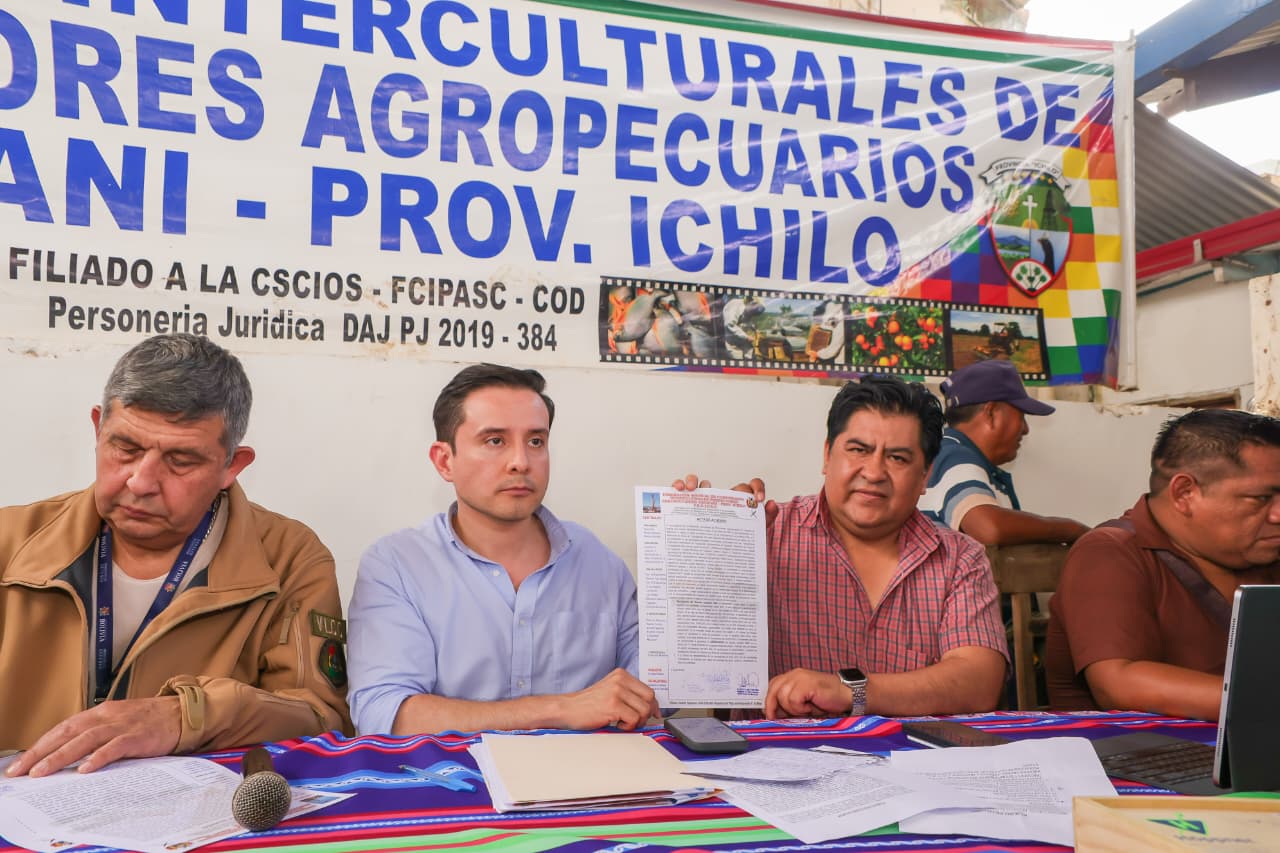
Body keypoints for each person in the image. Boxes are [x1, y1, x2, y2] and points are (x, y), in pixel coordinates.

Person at [2, 334, 351, 777]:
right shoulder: (9, 542)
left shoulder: (290, 558)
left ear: (232, 466)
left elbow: (323, 718)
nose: (140, 482)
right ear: (96, 428)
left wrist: (187, 716)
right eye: (125, 448)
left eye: (181, 460)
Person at [347, 364, 657, 735]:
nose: (521, 462)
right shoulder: (397, 565)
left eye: (536, 441)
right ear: (445, 461)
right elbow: (386, 714)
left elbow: (655, 694)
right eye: (495, 441)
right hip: (457, 787)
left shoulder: (598, 562)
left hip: (588, 785)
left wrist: (706, 540)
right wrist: (561, 709)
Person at [676, 375, 1007, 719]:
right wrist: (707, 544)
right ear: (827, 455)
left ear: (925, 475)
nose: (875, 471)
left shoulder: (959, 559)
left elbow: (979, 684)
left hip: (911, 763)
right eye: (858, 450)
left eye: (897, 458)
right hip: (778, 760)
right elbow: (687, 658)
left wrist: (851, 690)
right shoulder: (767, 535)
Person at [1045, 409, 1280, 720]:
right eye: (1261, 498)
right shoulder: (1111, 552)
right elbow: (1120, 682)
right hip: (1126, 759)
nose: (1277, 515)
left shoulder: (1263, 553)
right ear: (1185, 493)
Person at [920, 360, 1089, 545]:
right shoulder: (953, 456)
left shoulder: (953, 453)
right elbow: (989, 528)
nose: (1025, 429)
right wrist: (1070, 530)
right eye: (1022, 416)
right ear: (991, 412)